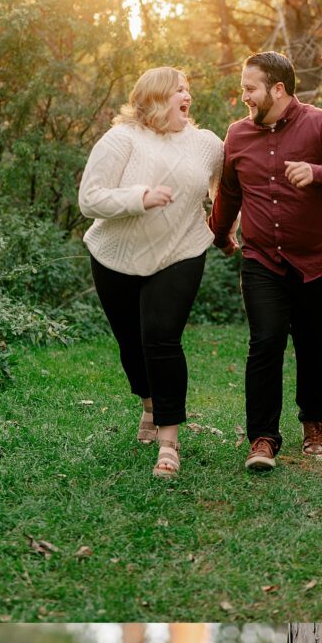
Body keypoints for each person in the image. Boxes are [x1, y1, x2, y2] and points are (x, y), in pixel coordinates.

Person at [210, 48, 322, 473]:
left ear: (277, 89)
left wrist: (317, 173)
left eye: (249, 88)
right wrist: (220, 233)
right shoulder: (237, 135)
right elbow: (230, 191)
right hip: (262, 259)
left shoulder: (321, 123)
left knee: (313, 345)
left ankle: (314, 424)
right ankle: (263, 438)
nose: (243, 96)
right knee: (265, 343)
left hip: (316, 258)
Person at [78, 65, 223, 479]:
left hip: (182, 249)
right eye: (179, 88)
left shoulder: (207, 144)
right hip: (115, 255)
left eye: (188, 89)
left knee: (161, 338)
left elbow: (227, 190)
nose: (187, 95)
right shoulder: (121, 138)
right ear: (156, 96)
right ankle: (148, 404)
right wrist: (140, 197)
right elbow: (90, 199)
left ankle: (169, 442)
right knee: (131, 342)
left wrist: (226, 228)